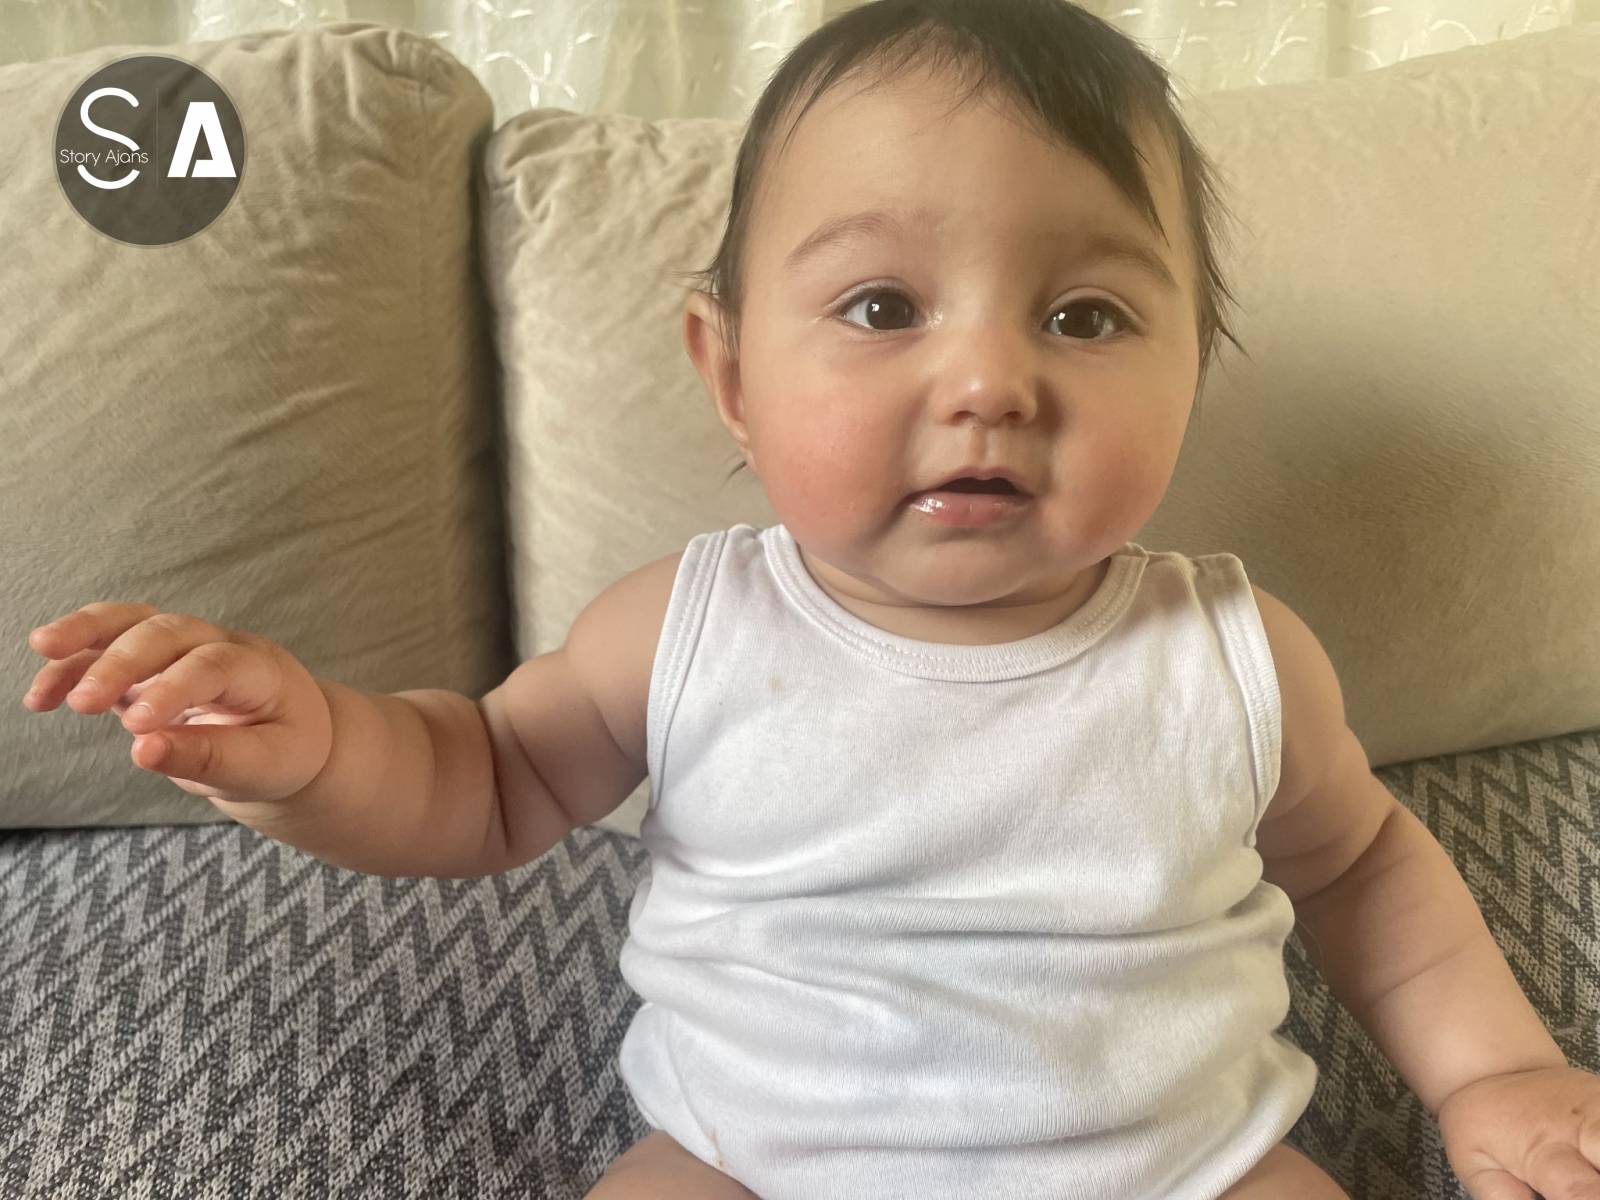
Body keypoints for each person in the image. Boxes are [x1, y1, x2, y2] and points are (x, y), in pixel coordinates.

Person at [24, 2, 1600, 1198]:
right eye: (881, 304)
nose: (989, 380)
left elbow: (1367, 868)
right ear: (730, 375)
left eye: (1084, 314)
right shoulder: (685, 627)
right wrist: (311, 748)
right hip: (754, 1162)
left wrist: (1495, 1075)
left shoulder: (1237, 658)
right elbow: (484, 778)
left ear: (1195, 365)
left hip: (1180, 1166)